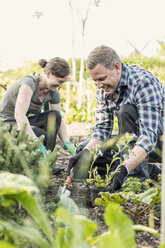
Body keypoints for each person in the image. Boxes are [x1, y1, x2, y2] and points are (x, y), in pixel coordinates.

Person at [68, 45, 164, 192]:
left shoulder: (143, 83)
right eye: (95, 81)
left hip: (158, 141)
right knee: (86, 151)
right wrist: (86, 153)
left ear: (117, 67)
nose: (99, 85)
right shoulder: (103, 88)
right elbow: (102, 129)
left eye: (101, 79)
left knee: (127, 111)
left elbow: (148, 137)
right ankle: (151, 173)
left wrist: (124, 168)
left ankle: (135, 178)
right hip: (132, 140)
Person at [0, 57, 76, 167]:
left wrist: (67, 143)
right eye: (59, 81)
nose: (60, 86)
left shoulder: (53, 92)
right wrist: (36, 141)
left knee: (55, 116)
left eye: (62, 82)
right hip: (5, 123)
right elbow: (19, 115)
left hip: (20, 122)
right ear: (48, 73)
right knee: (41, 135)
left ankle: (48, 161)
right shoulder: (28, 84)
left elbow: (58, 119)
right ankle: (39, 160)